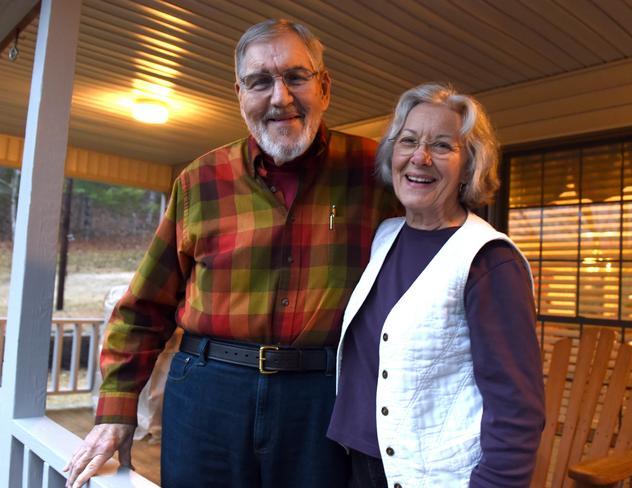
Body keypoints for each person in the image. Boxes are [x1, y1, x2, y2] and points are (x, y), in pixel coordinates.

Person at [64, 19, 396, 488]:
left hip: (326, 398)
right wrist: (116, 411)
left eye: (296, 77)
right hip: (207, 393)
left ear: (324, 86)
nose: (280, 97)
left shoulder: (377, 173)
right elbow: (144, 308)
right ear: (239, 93)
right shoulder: (199, 181)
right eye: (260, 82)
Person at [327, 83, 545, 487]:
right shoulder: (385, 237)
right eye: (408, 141)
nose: (420, 157)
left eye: (442, 146)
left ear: (470, 166)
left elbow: (517, 411)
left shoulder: (489, 260)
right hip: (357, 464)